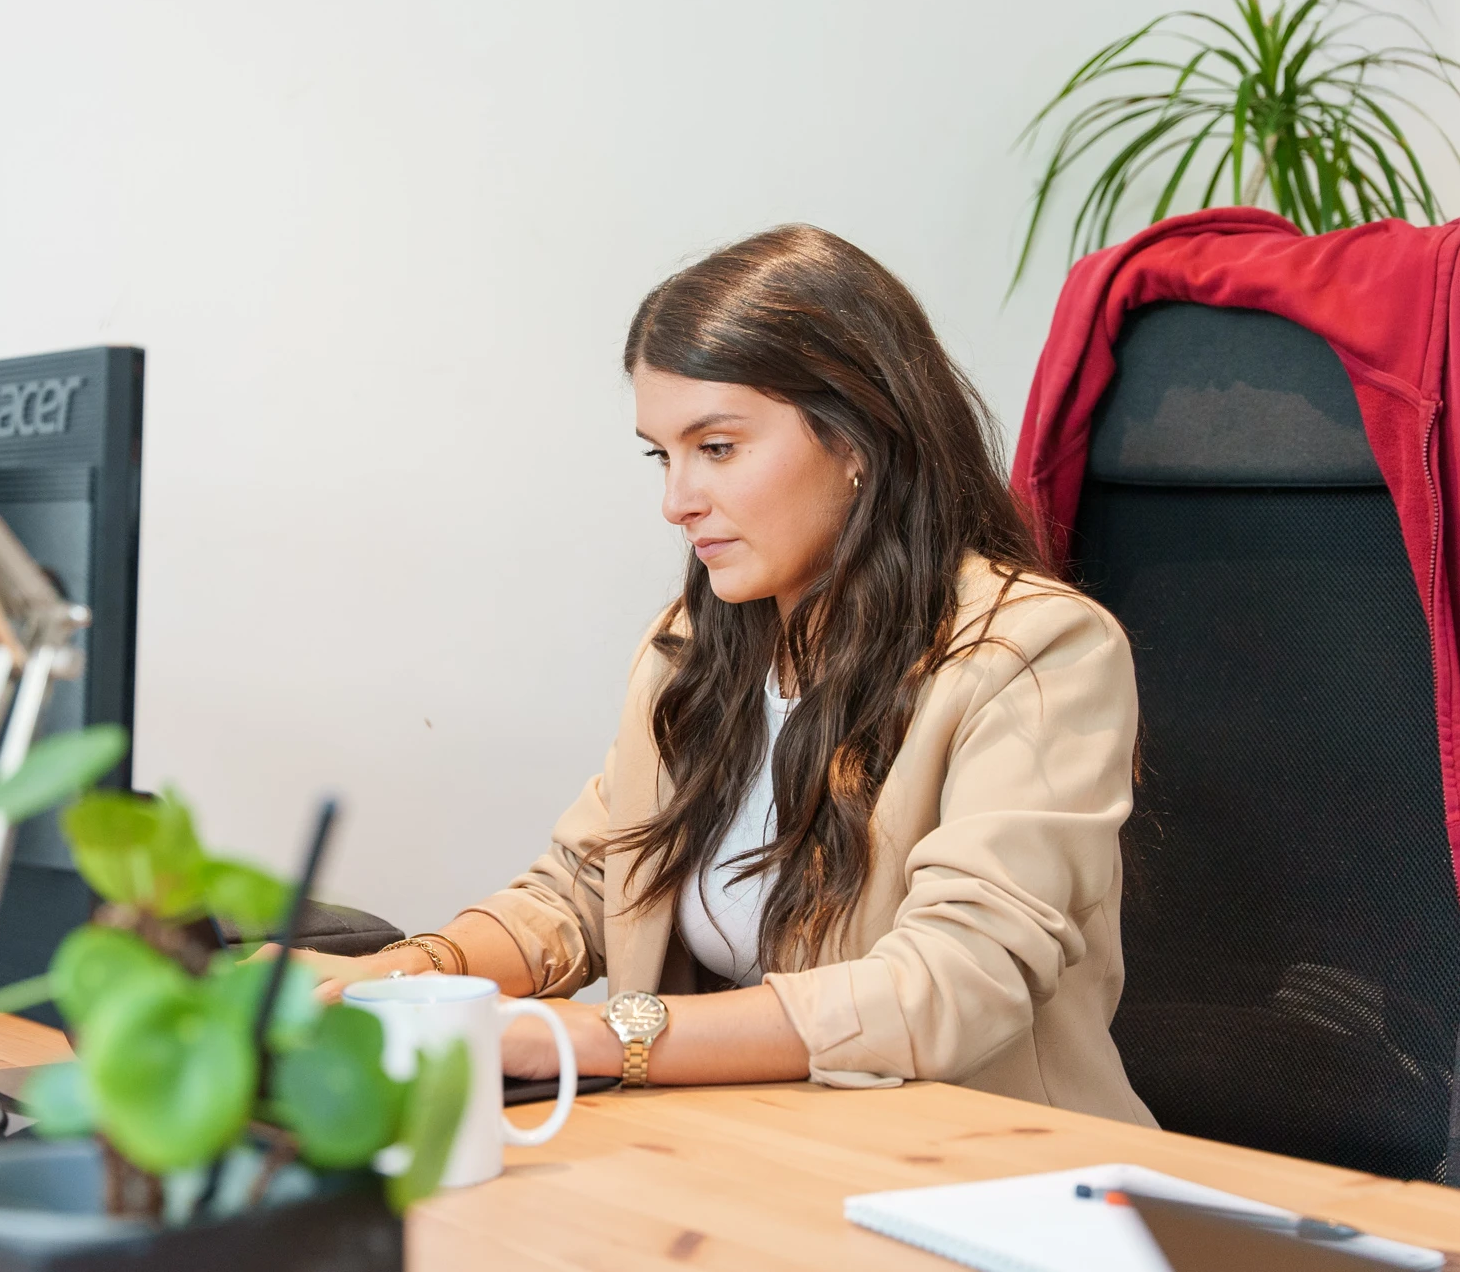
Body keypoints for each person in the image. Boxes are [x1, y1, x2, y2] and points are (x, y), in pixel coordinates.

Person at [309, 224, 1153, 1124]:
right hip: (757, 1153)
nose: (676, 501)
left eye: (715, 448)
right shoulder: (693, 647)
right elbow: (592, 886)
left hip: (984, 1181)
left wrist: (585, 1038)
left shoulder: (1033, 652)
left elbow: (952, 982)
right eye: (660, 455)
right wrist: (391, 978)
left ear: (858, 437)